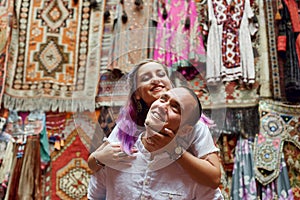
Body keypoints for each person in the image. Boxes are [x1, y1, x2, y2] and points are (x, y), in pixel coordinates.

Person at [88, 59, 220, 188]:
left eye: (161, 74)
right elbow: (92, 164)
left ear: (170, 84)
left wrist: (173, 149)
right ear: (137, 94)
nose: (156, 79)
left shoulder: (194, 126)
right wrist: (100, 158)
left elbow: (214, 179)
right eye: (146, 78)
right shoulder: (127, 126)